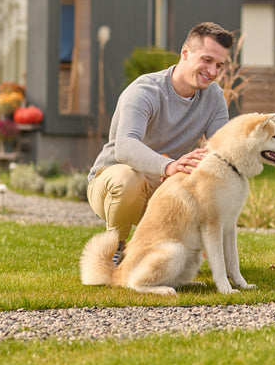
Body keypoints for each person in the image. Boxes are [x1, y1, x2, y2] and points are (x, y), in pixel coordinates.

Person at [87, 22, 234, 265]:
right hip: (112, 183)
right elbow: (125, 146)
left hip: (165, 186)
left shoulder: (214, 96)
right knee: (128, 180)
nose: (213, 71)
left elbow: (222, 150)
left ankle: (180, 252)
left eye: (219, 65)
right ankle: (117, 251)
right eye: (207, 60)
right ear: (185, 52)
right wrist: (170, 166)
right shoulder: (145, 91)